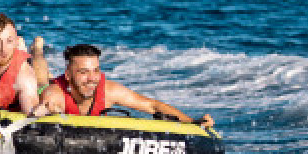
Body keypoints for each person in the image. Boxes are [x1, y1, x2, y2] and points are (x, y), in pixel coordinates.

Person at [32, 43, 214, 127]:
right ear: (69, 76)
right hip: (47, 88)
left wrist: (192, 122)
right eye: (83, 72)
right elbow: (49, 104)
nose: (92, 78)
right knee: (41, 80)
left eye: (95, 71)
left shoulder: (108, 91)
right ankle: (37, 49)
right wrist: (43, 110)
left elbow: (152, 106)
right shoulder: (56, 93)